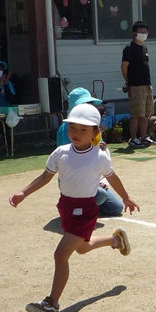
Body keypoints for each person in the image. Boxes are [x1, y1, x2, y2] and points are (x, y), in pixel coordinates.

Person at [10, 103, 139, 312]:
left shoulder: (99, 156)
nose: (76, 134)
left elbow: (113, 177)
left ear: (95, 132)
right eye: (72, 128)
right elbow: (45, 177)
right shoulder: (60, 153)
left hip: (85, 211)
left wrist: (126, 197)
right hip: (66, 208)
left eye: (83, 130)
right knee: (82, 247)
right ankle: (115, 240)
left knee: (61, 255)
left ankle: (52, 303)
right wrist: (23, 193)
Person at [57, 87, 124, 217]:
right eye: (85, 104)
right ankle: (74, 208)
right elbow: (74, 159)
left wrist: (101, 179)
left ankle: (82, 207)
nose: (89, 107)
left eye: (90, 104)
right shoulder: (66, 128)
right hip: (74, 180)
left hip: (92, 179)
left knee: (116, 208)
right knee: (101, 195)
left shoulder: (91, 127)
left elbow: (99, 154)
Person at [121, 20, 154, 148]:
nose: (144, 33)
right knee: (136, 113)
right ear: (135, 33)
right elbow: (124, 66)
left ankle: (144, 136)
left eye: (145, 31)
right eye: (141, 31)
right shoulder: (129, 49)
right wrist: (128, 82)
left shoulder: (144, 48)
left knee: (146, 113)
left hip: (147, 84)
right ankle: (133, 138)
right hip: (136, 85)